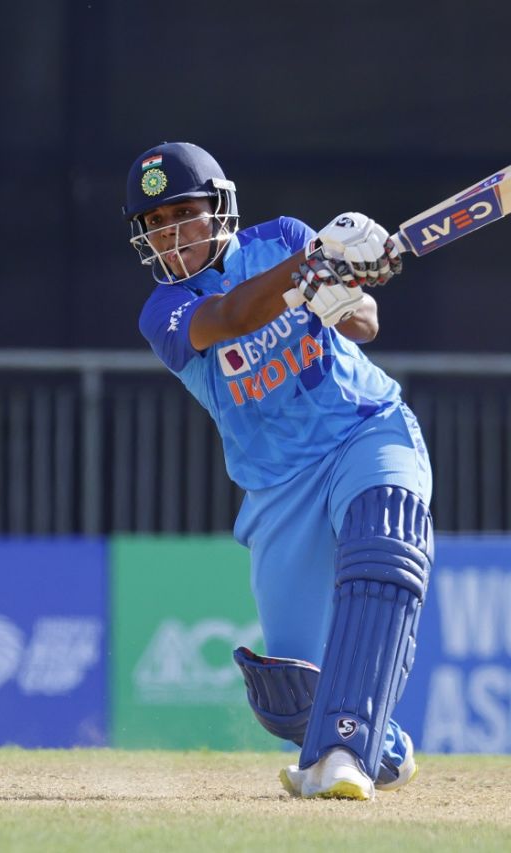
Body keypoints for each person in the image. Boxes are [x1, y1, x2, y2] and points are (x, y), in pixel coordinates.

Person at [125, 142, 434, 800]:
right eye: (157, 224)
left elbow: (366, 321)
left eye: (185, 213)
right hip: (278, 488)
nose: (174, 235)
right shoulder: (164, 311)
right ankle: (383, 741)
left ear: (221, 209)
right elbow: (232, 316)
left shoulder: (284, 239)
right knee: (291, 694)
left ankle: (347, 745)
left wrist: (338, 295)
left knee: (384, 541)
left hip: (362, 427)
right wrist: (315, 266)